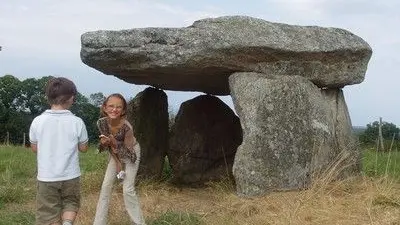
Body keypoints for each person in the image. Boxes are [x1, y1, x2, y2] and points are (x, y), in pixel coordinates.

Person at [29, 77, 89, 225]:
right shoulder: (77, 122)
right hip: (71, 175)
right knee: (70, 202)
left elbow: (34, 148)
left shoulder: (37, 121)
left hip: (47, 176)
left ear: (47, 98)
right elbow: (84, 148)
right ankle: (67, 223)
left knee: (48, 212)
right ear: (72, 98)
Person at [93, 93, 145, 225]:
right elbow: (104, 148)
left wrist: (114, 143)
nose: (114, 109)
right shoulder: (101, 123)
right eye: (111, 106)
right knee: (105, 186)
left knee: (127, 189)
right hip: (115, 155)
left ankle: (139, 223)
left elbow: (130, 155)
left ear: (123, 110)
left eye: (118, 107)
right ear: (104, 107)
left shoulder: (127, 127)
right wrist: (106, 145)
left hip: (132, 154)